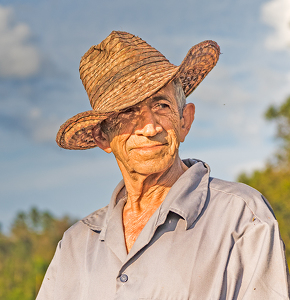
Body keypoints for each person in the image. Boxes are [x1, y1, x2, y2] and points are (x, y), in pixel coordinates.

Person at [36, 31, 290, 300]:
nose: (149, 126)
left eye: (161, 105)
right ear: (102, 136)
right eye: (127, 111)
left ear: (185, 120)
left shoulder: (241, 216)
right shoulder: (77, 244)